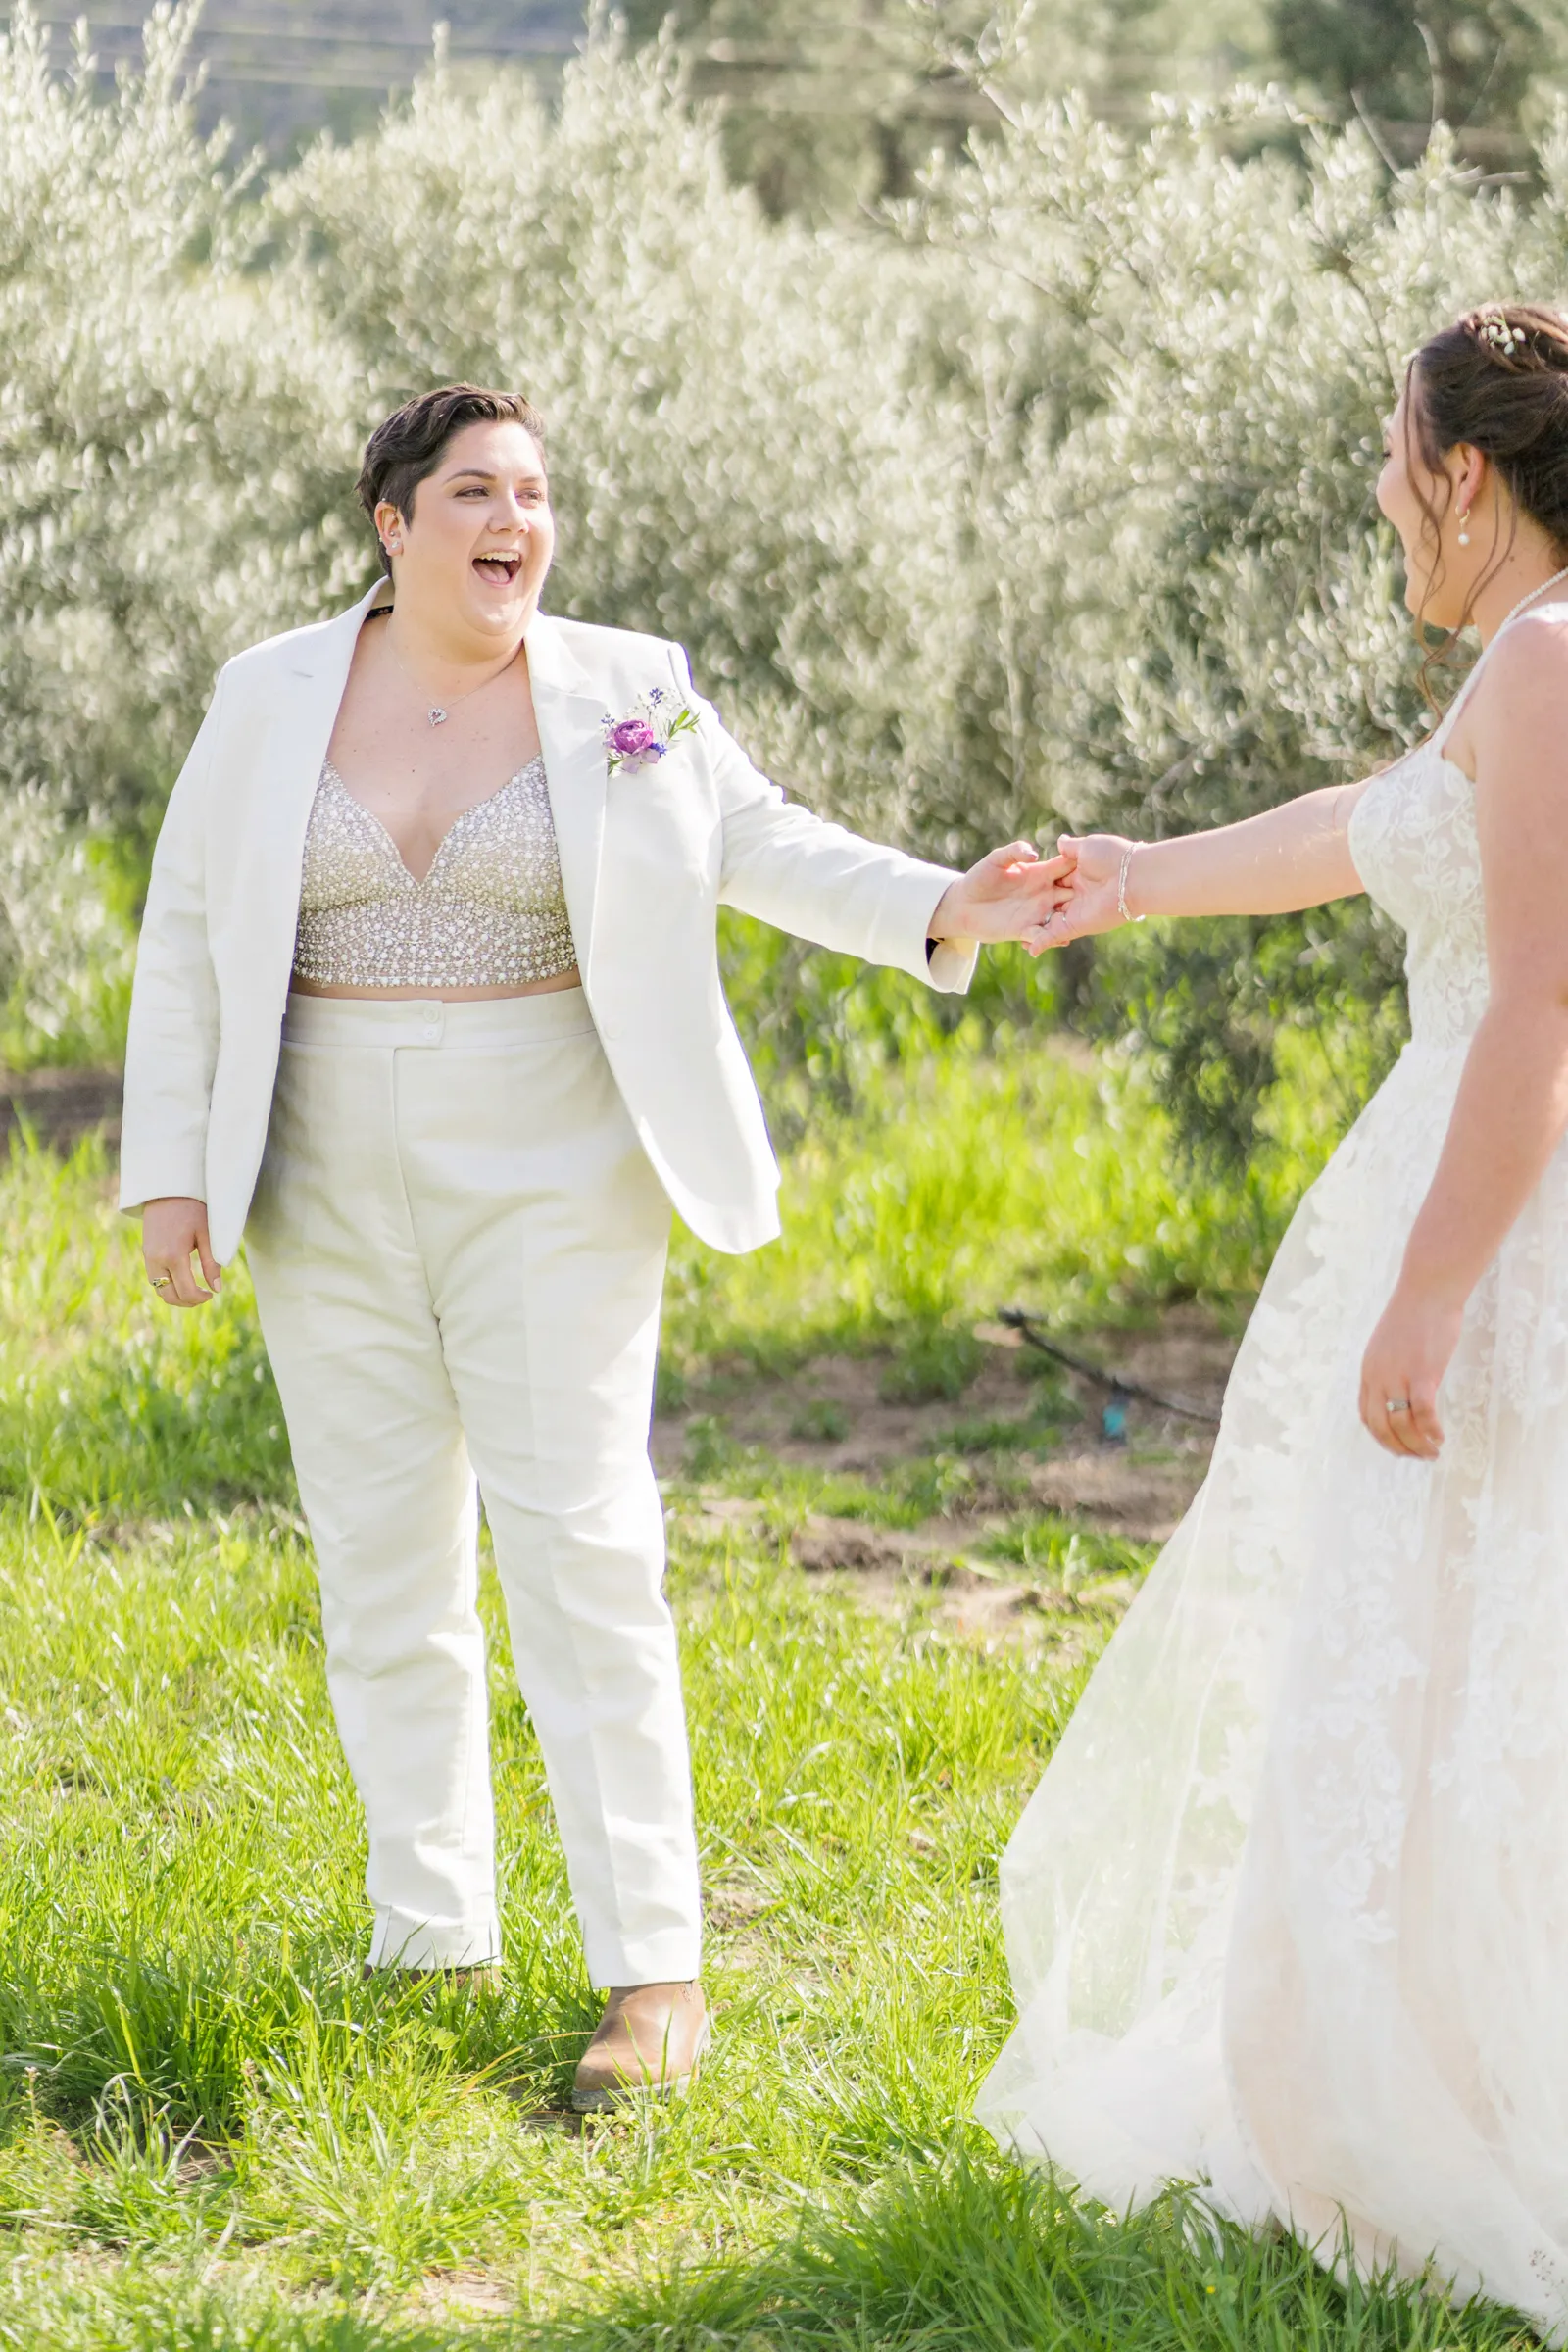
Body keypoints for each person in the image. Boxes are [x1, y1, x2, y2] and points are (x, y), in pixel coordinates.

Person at [121, 383, 1067, 2112]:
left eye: (538, 494)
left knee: (582, 1548)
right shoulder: (267, 694)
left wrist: (943, 902)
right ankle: (431, 1937)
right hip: (318, 1168)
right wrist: (171, 1171)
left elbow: (760, 841)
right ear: (392, 522)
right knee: (380, 1559)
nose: (518, 523)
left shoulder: (631, 686)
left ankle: (652, 1973)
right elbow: (186, 928)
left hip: (556, 1161)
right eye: (477, 492)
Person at [977, 300, 1568, 2332]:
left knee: (1480, 1639)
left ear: (1462, 475)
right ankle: (1417, 2065)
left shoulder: (1548, 660)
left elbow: (1540, 1011)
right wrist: (1127, 878)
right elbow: (1360, 831)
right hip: (1478, 1201)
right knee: (1448, 1642)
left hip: (1502, 1231)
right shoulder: (1518, 662)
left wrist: (1427, 1299)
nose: (1380, 497)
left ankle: (1465, 2107)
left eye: (1392, 460)